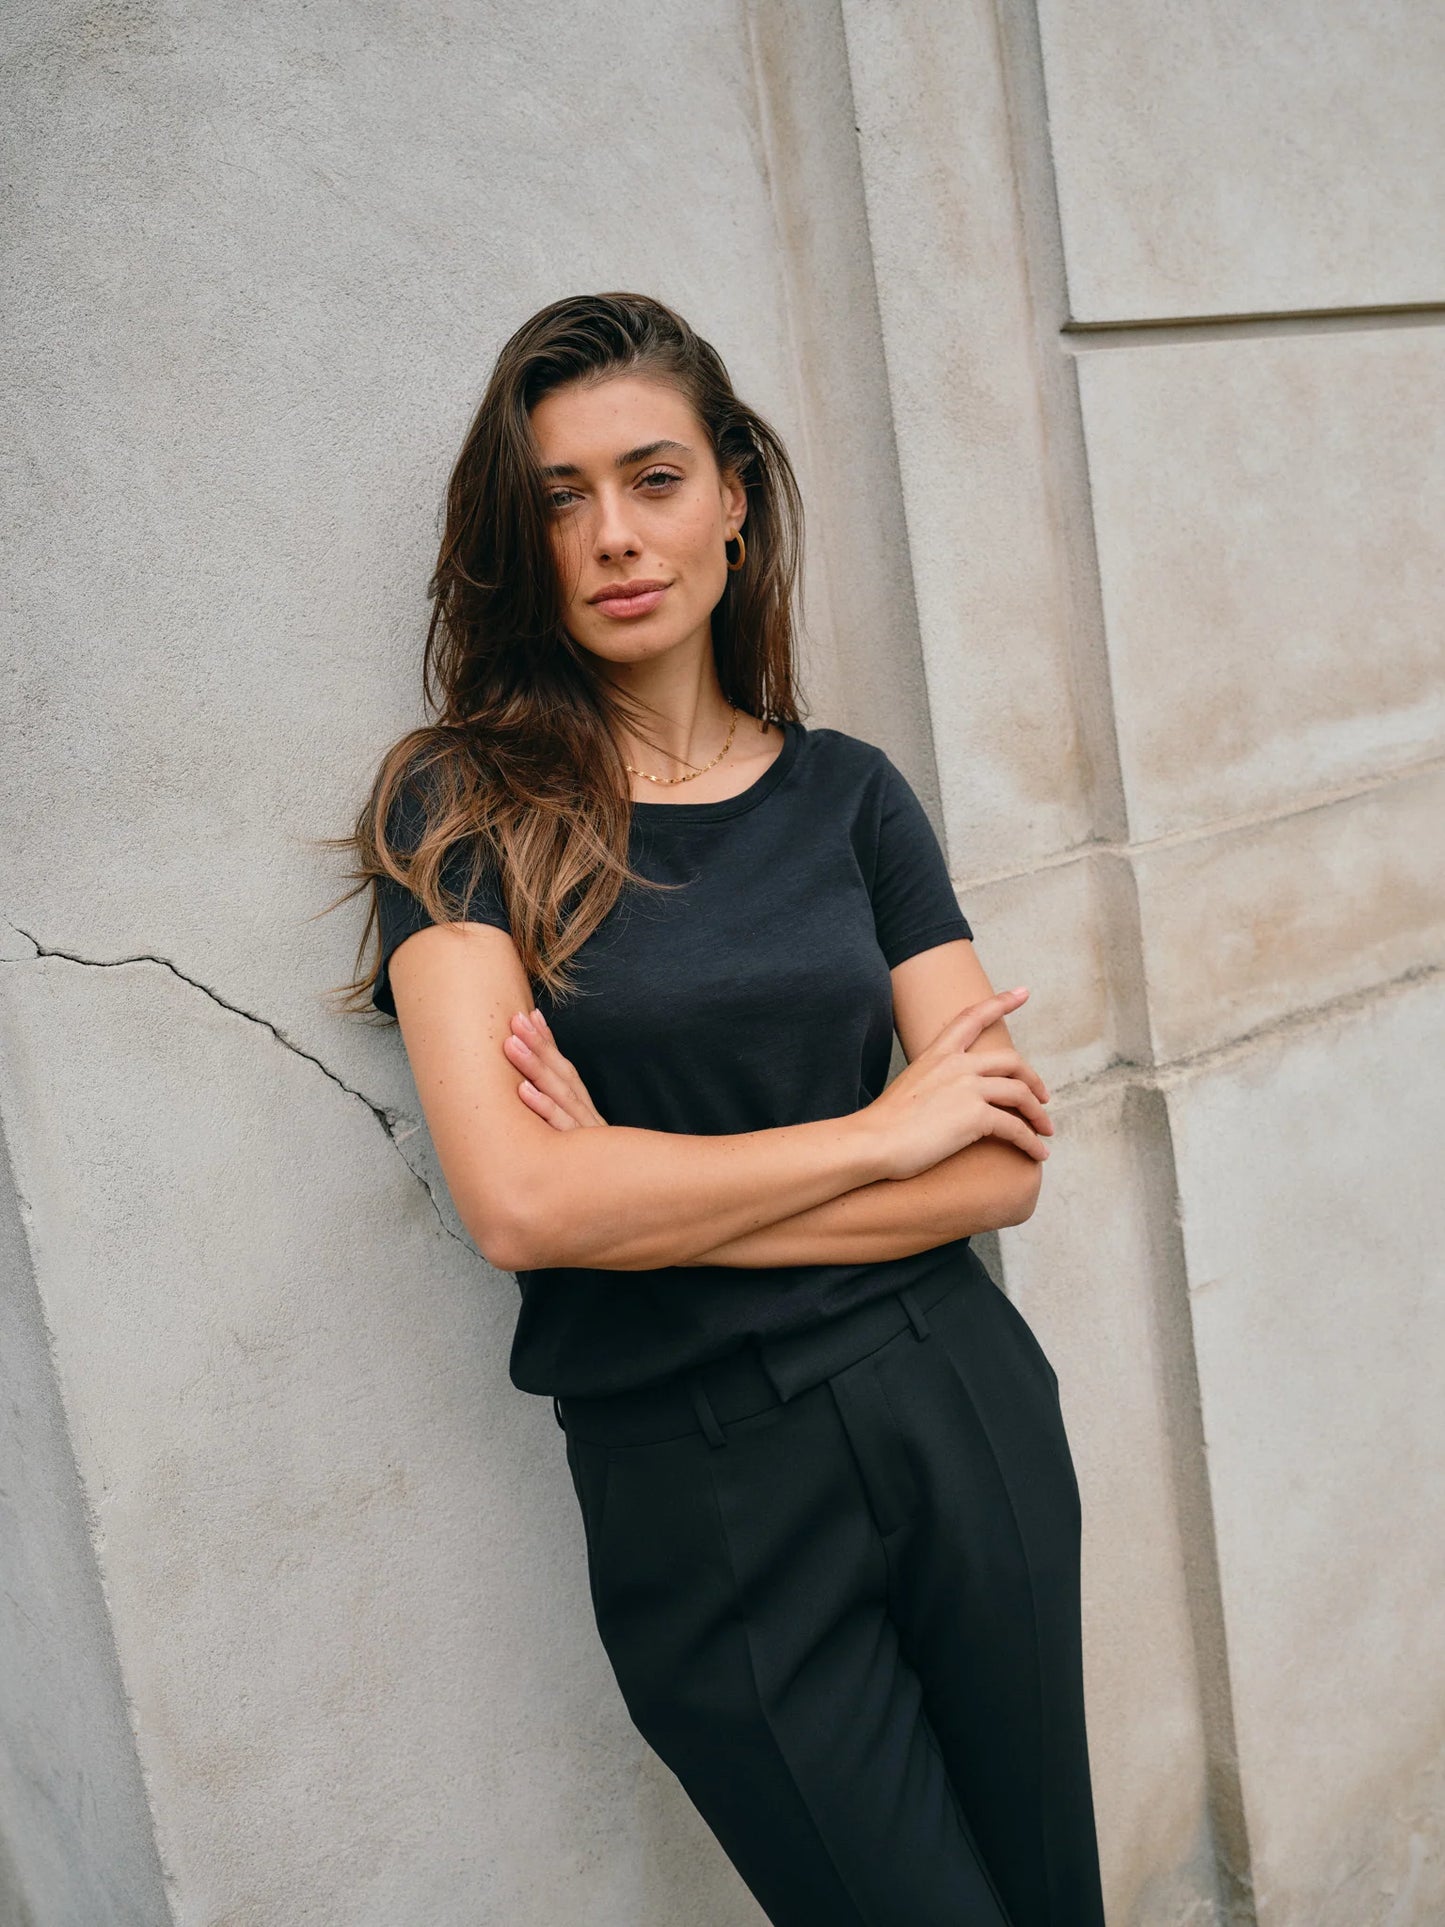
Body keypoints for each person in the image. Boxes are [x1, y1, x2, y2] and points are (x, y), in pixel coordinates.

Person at [331, 292, 1107, 1926]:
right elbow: (520, 1207)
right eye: (560, 496)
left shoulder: (851, 795)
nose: (613, 533)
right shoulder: (458, 804)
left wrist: (640, 1190)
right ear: (519, 536)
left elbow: (997, 1170)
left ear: (732, 500)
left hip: (952, 1399)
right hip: (699, 1487)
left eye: (654, 477)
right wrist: (877, 1134)